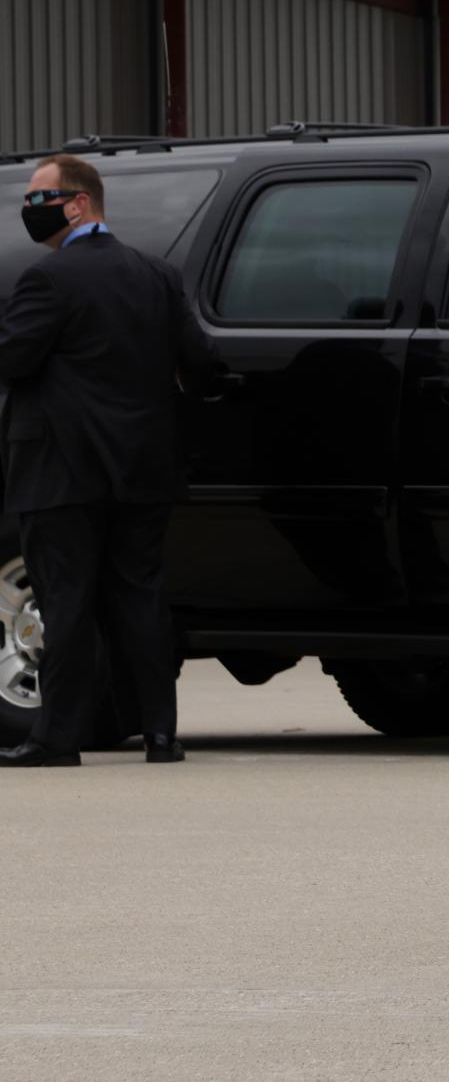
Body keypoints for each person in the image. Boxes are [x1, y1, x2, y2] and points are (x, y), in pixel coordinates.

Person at [0, 154, 217, 767]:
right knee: (139, 598)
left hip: (61, 471)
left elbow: (12, 359)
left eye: (39, 197)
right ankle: (160, 735)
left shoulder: (49, 279)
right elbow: (201, 363)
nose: (29, 208)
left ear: (78, 203)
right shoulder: (157, 274)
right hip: (143, 468)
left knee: (65, 601)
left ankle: (56, 739)